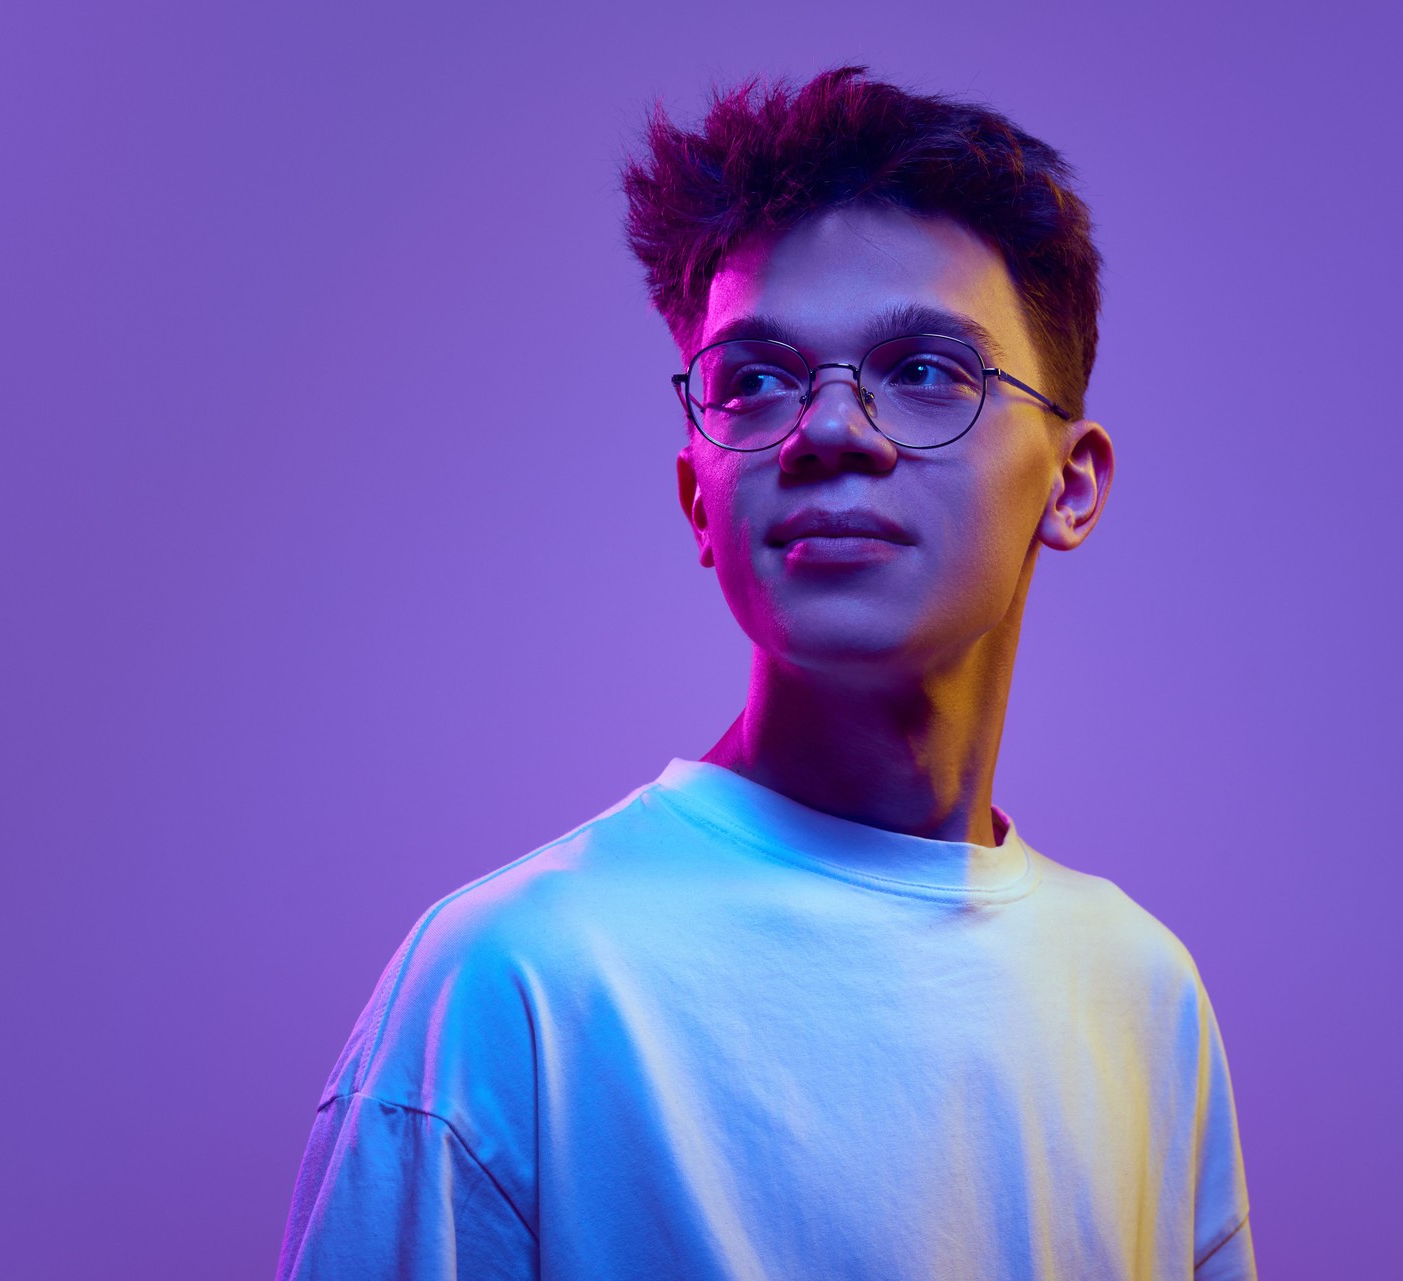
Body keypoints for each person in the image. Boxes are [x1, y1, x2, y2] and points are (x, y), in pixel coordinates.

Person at [275, 65, 1256, 1280]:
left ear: (1073, 483)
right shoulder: (515, 984)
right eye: (757, 380)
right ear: (700, 496)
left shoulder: (1140, 990)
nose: (831, 429)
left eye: (927, 372)